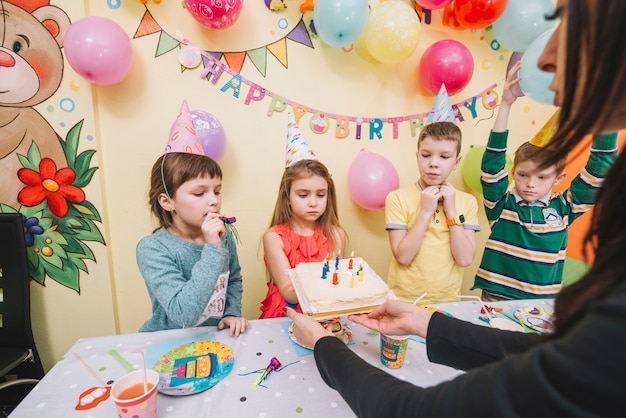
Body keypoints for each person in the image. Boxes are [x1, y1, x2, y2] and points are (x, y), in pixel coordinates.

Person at [287, 0, 626, 415]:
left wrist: (324, 345)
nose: (547, 55)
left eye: (564, 26)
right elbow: (537, 350)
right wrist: (421, 321)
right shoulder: (409, 199)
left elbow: (417, 408)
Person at [473, 60, 618, 301]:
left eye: (542, 177)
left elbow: (600, 169)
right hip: (496, 298)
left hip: (541, 306)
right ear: (513, 173)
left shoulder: (564, 208)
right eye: (523, 175)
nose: (531, 184)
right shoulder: (502, 205)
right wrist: (506, 105)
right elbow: (492, 165)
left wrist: (606, 112)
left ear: (559, 178)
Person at [137, 149, 248, 335]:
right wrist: (213, 249)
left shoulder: (224, 235)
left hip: (215, 337)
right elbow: (183, 315)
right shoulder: (153, 248)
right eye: (199, 193)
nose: (214, 201)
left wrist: (231, 312)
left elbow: (233, 278)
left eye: (218, 191)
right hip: (169, 340)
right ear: (167, 202)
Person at [259, 113, 346, 318]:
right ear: (287, 196)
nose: (313, 202)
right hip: (286, 316)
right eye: (303, 195)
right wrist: (327, 283)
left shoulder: (336, 234)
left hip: (325, 316)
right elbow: (290, 294)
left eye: (321, 194)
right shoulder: (274, 238)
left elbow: (337, 285)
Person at [385, 121, 480, 304]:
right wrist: (426, 212)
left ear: (456, 162)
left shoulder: (467, 202)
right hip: (404, 300)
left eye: (444, 156)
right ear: (417, 157)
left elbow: (465, 258)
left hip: (447, 300)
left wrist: (451, 210)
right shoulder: (397, 198)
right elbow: (403, 257)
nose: (434, 164)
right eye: (426, 155)